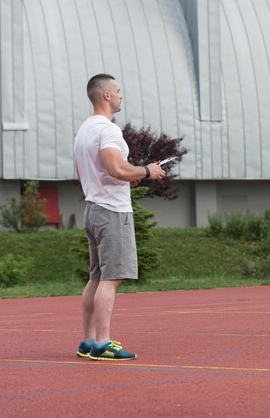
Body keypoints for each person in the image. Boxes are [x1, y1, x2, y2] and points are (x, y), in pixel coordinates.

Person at [73, 73, 166, 360]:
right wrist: (146, 171)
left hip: (92, 207)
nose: (121, 95)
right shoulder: (108, 130)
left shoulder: (84, 130)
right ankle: (102, 342)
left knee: (97, 277)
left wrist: (128, 177)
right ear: (105, 96)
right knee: (111, 278)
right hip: (112, 211)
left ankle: (88, 340)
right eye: (117, 91)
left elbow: (90, 172)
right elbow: (115, 168)